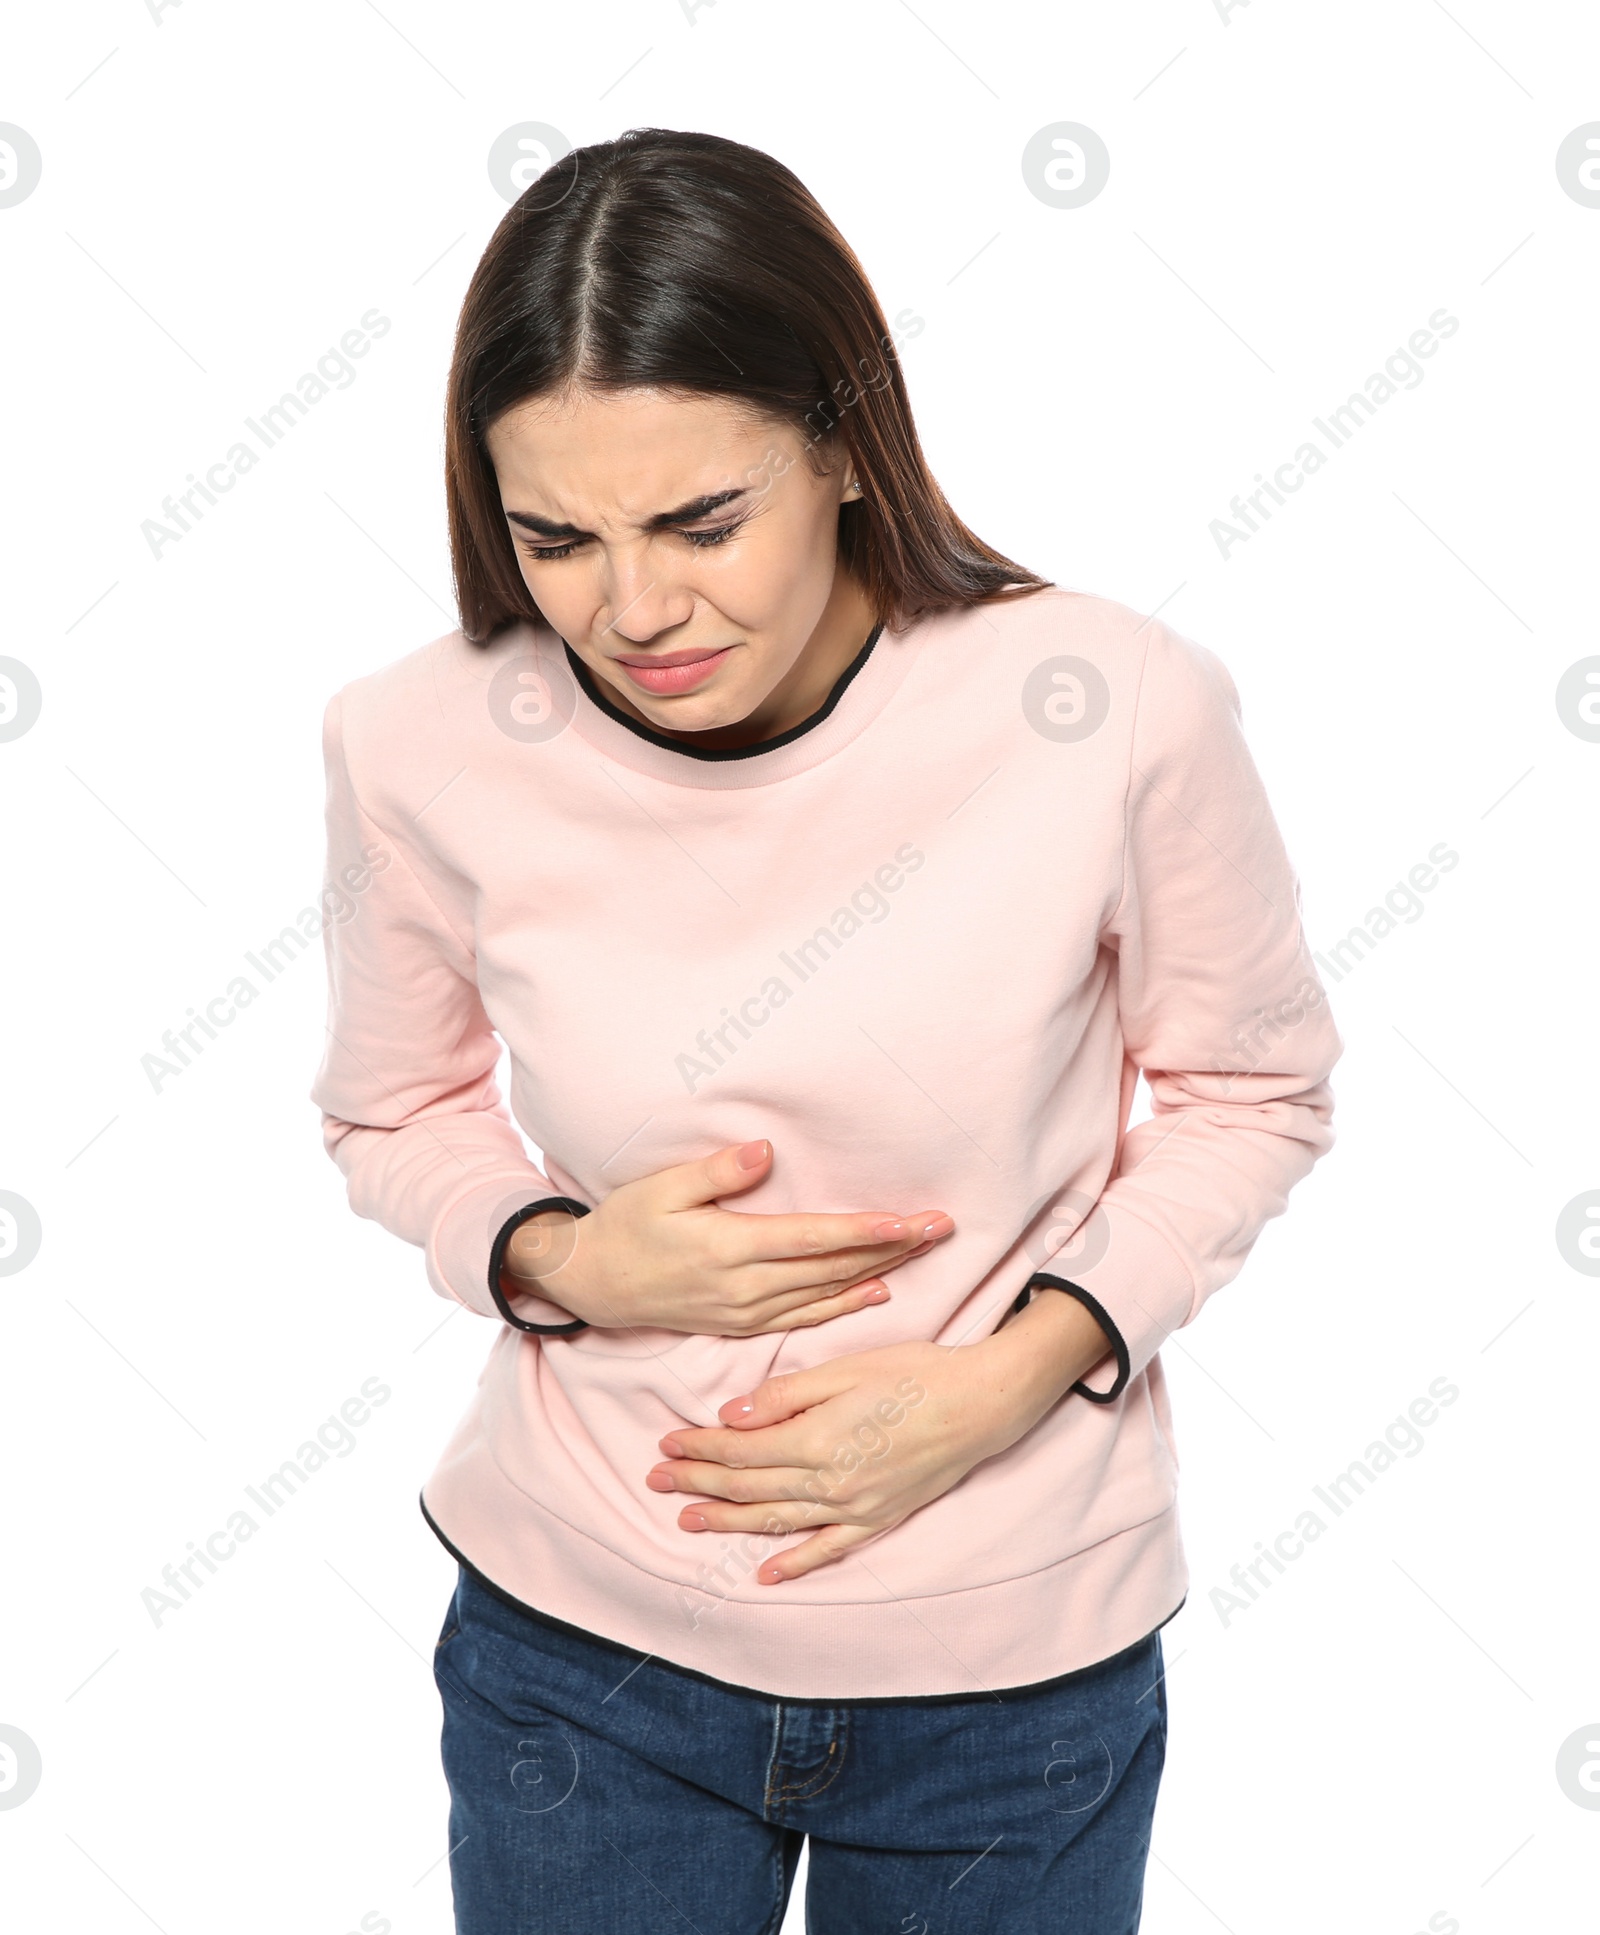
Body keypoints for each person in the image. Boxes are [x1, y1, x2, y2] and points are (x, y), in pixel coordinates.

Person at [311, 126, 1341, 1935]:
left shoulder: (1105, 705)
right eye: (556, 537)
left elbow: (1252, 1091)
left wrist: (1017, 1372)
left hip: (1011, 1682)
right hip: (584, 1661)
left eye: (702, 522)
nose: (631, 611)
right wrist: (557, 1257)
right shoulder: (418, 742)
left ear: (849, 451)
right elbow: (392, 1114)